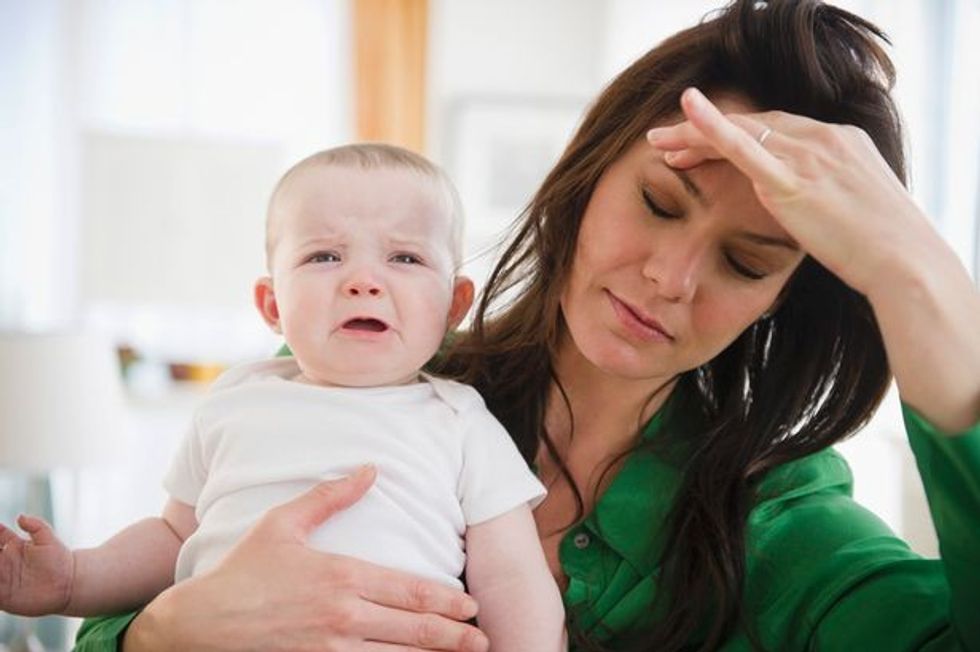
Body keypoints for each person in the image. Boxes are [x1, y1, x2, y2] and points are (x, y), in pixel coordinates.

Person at [66, 0, 980, 649]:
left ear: (782, 297)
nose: (669, 279)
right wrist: (162, 633)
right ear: (587, 176)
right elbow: (133, 595)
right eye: (660, 204)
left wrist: (922, 271)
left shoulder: (781, 521)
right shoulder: (350, 374)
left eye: (746, 262)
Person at [0, 144, 566, 651]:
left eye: (405, 258)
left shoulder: (462, 421)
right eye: (325, 257)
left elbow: (513, 579)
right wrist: (73, 578)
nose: (363, 281)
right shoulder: (236, 400)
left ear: (453, 304)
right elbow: (174, 537)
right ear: (272, 305)